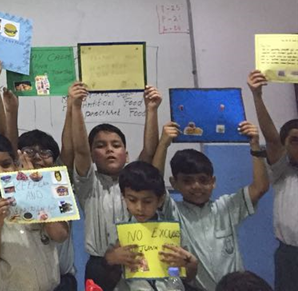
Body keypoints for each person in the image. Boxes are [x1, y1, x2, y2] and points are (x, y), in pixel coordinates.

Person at [65, 80, 162, 290]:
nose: (109, 150)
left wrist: (151, 110)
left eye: (116, 145)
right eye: (100, 146)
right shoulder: (88, 184)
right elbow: (80, 150)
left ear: (126, 154)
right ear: (92, 155)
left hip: (137, 262)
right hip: (100, 265)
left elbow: (150, 150)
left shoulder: (136, 182)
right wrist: (76, 107)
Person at [150, 118, 269, 290]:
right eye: (187, 181)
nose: (196, 186)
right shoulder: (173, 212)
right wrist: (163, 144)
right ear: (174, 183)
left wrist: (255, 146)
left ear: (213, 182)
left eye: (203, 180)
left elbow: (260, 188)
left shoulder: (226, 207)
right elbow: (154, 186)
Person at [0, 59, 76, 291]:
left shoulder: (58, 186)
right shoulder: (8, 187)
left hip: (57, 280)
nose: (37, 157)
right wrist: (10, 110)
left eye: (45, 153)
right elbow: (4, 142)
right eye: (29, 151)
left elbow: (59, 234)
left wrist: (72, 106)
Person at [0, 132, 68, 290]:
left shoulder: (41, 191)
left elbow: (60, 235)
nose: (0, 172)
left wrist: (36, 194)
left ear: (16, 163)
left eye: (6, 164)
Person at [102, 161, 198, 290]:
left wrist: (188, 264)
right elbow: (107, 274)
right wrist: (111, 259)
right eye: (132, 200)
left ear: (160, 200)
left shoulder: (174, 232)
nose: (139, 208)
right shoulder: (118, 233)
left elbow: (189, 275)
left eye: (147, 201)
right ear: (123, 197)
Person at [247, 69, 298, 290]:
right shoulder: (282, 170)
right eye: (295, 140)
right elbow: (272, 139)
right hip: (290, 255)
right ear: (285, 146)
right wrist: (257, 96)